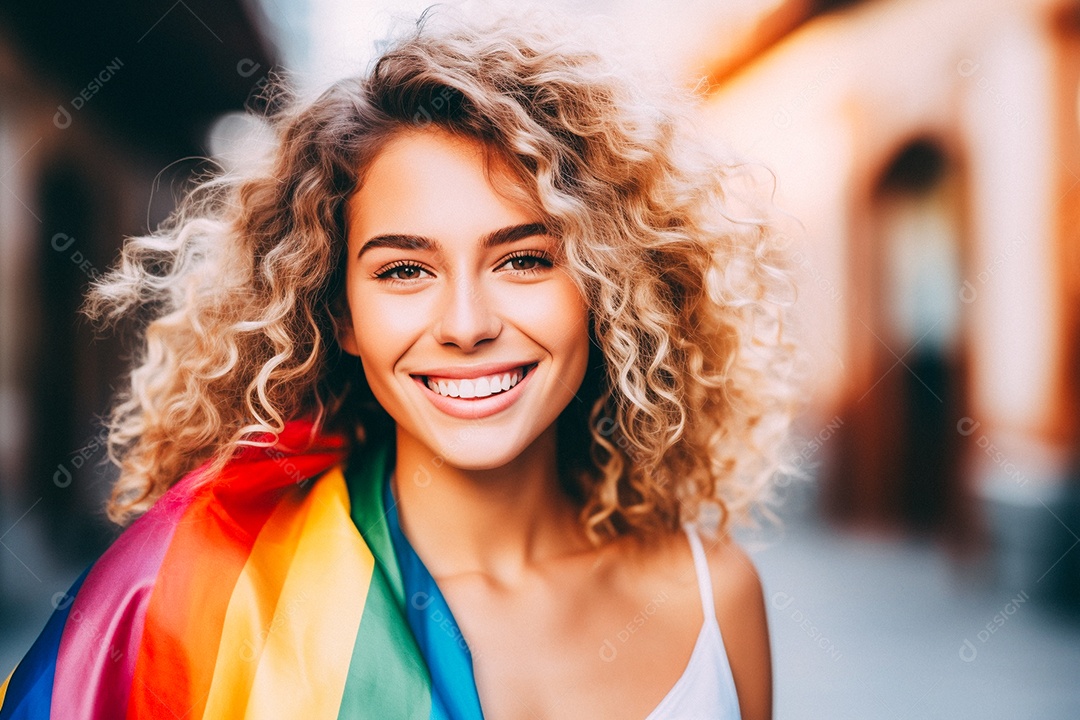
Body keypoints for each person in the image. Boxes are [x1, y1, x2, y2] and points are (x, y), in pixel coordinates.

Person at [0, 4, 802, 719]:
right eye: (403, 270)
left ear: (607, 285)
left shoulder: (714, 595)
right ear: (340, 314)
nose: (465, 324)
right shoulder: (206, 603)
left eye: (523, 259)